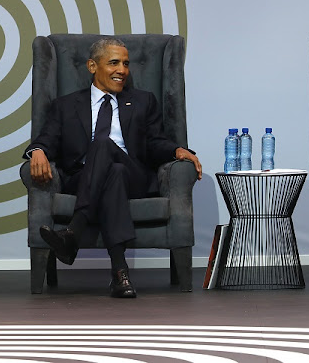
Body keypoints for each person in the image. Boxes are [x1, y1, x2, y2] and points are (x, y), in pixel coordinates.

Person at [24, 38, 202, 298]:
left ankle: (74, 230)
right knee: (112, 172)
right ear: (92, 66)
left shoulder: (143, 101)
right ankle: (120, 273)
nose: (122, 70)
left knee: (104, 147)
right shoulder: (66, 106)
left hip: (135, 177)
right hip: (84, 178)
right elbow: (46, 139)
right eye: (114, 63)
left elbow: (155, 142)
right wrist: (37, 151)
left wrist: (176, 150)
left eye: (126, 64)